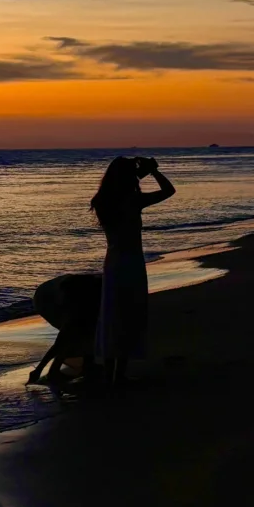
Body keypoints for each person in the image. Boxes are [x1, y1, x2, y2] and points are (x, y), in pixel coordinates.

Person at [91, 156, 175, 387]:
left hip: (113, 261)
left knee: (111, 315)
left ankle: (110, 375)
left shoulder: (102, 200)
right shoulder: (132, 200)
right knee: (129, 314)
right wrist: (154, 171)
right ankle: (120, 374)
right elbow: (169, 190)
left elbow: (121, 185)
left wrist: (139, 172)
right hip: (131, 262)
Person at [28, 273, 102, 387]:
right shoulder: (76, 300)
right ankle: (53, 371)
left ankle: (88, 364)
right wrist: (38, 370)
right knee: (72, 334)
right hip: (46, 298)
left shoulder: (99, 296)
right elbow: (62, 340)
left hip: (70, 292)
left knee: (85, 330)